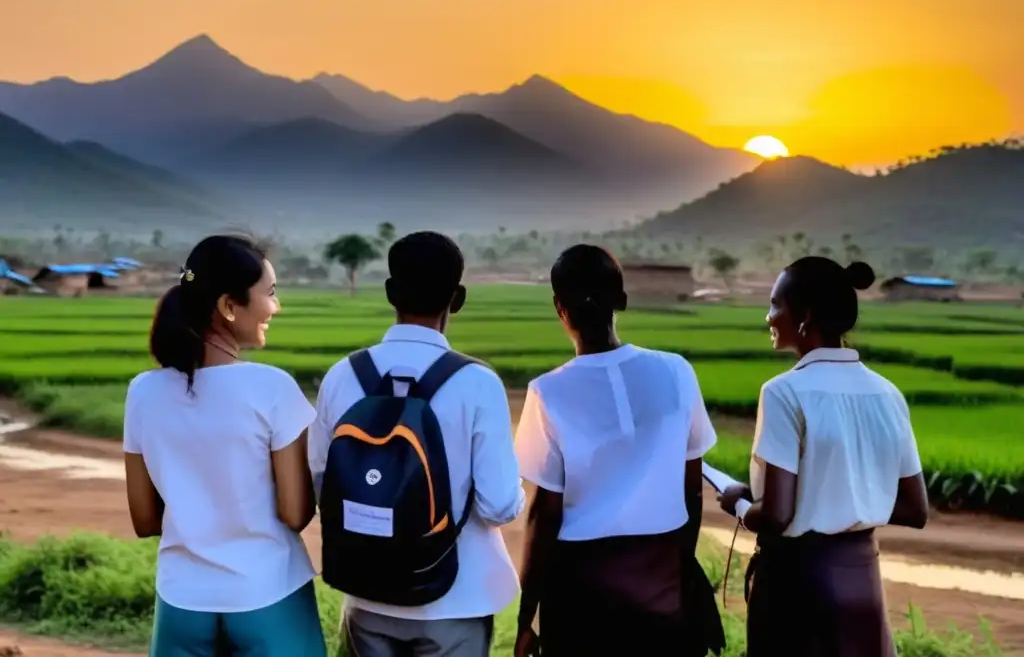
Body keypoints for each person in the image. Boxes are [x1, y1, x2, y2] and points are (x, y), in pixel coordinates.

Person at [308, 230, 524, 657]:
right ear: (457, 299)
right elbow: (499, 506)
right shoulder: (477, 384)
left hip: (366, 594)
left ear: (390, 292)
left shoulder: (343, 375)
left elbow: (321, 483)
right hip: (453, 599)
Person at [514, 244, 723, 657]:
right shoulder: (676, 371)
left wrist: (526, 617)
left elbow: (543, 515)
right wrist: (679, 568)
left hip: (581, 589)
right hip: (662, 576)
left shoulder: (548, 391)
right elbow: (692, 487)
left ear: (560, 308)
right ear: (622, 301)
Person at [123, 234, 325, 656]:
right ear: (229, 307)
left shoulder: (143, 392)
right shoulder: (272, 388)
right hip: (268, 595)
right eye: (269, 294)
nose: (276, 307)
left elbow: (144, 519)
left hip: (181, 602)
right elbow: (294, 513)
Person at [718, 256, 930, 657]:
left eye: (774, 304)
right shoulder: (887, 393)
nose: (768, 316)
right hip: (862, 580)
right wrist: (848, 500)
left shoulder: (784, 391)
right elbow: (913, 508)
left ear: (805, 316)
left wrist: (739, 504)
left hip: (797, 586)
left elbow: (777, 516)